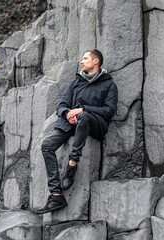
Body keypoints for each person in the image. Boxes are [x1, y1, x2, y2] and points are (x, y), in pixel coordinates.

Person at [35, 49, 118, 214]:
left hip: (94, 124)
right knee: (47, 146)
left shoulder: (109, 85)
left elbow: (109, 111)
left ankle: (72, 165)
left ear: (96, 61)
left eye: (85, 58)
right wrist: (68, 114)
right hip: (70, 123)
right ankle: (56, 195)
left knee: (85, 116)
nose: (82, 61)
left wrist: (81, 110)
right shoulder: (76, 82)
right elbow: (62, 105)